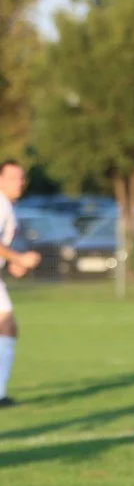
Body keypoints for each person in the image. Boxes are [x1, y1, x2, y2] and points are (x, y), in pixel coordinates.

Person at [0, 160, 40, 407]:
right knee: (6, 324)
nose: (20, 183)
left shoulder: (8, 206)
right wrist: (19, 258)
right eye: (13, 178)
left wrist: (12, 263)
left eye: (22, 178)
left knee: (7, 326)